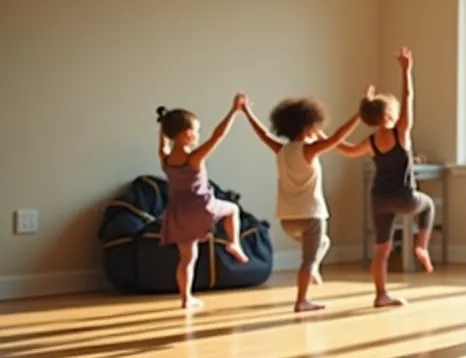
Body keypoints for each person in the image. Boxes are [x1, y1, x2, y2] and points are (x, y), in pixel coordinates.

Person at [241, 89, 371, 312]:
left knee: (323, 244)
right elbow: (337, 138)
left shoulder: (281, 150)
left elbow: (263, 134)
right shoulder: (309, 150)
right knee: (308, 260)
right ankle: (302, 300)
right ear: (308, 127)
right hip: (311, 216)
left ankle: (313, 272)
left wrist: (246, 112)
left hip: (287, 220)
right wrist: (360, 114)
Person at [337, 46, 433, 307]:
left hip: (379, 199)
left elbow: (346, 150)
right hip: (405, 198)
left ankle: (380, 294)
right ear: (390, 115)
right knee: (428, 205)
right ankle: (421, 246)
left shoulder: (371, 141)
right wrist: (406, 71)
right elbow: (409, 96)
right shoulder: (400, 133)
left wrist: (326, 140)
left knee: (381, 250)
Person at [155, 95, 250, 310]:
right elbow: (218, 136)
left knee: (187, 258)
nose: (198, 135)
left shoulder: (165, 158)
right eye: (196, 131)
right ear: (188, 134)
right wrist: (233, 111)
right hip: (201, 206)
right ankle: (234, 243)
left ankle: (186, 298)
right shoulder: (194, 158)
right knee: (233, 209)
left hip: (178, 213)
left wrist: (163, 125)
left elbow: (163, 143)